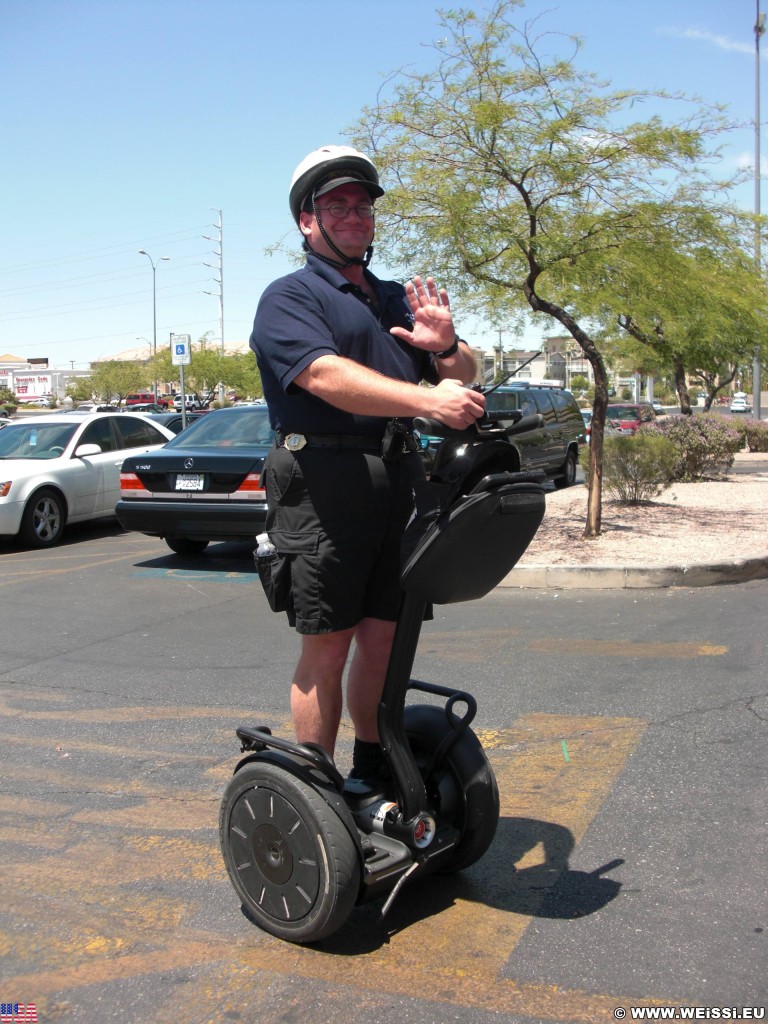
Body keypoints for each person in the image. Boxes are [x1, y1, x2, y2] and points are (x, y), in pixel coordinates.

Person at [250, 144, 485, 780]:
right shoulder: (289, 298)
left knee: (385, 635)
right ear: (308, 220)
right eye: (337, 206)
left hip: (398, 477)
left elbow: (464, 373)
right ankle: (318, 788)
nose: (354, 216)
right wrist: (429, 399)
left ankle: (373, 767)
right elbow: (325, 376)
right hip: (322, 480)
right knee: (328, 644)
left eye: (363, 206)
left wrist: (447, 349)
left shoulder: (391, 297)